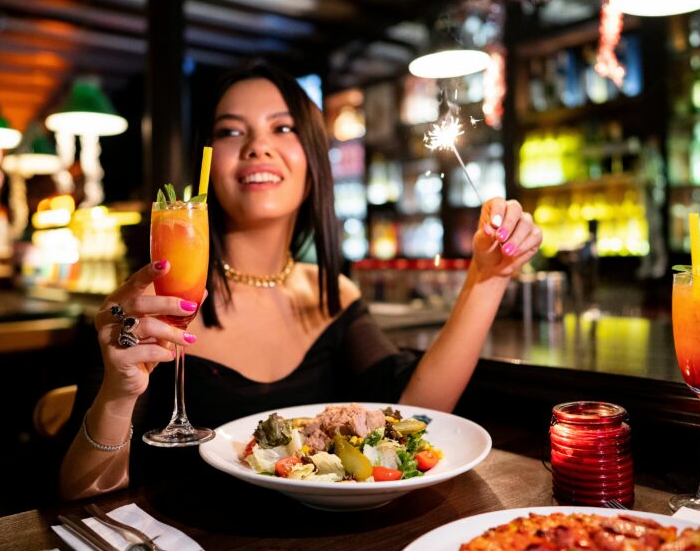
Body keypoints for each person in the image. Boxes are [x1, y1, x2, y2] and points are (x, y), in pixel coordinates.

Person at [59, 61, 542, 500]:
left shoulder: (334, 295)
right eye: (231, 131)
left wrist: (488, 277)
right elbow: (77, 490)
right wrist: (117, 394)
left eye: (283, 127)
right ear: (206, 163)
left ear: (313, 161)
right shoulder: (152, 306)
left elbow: (416, 412)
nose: (257, 146)